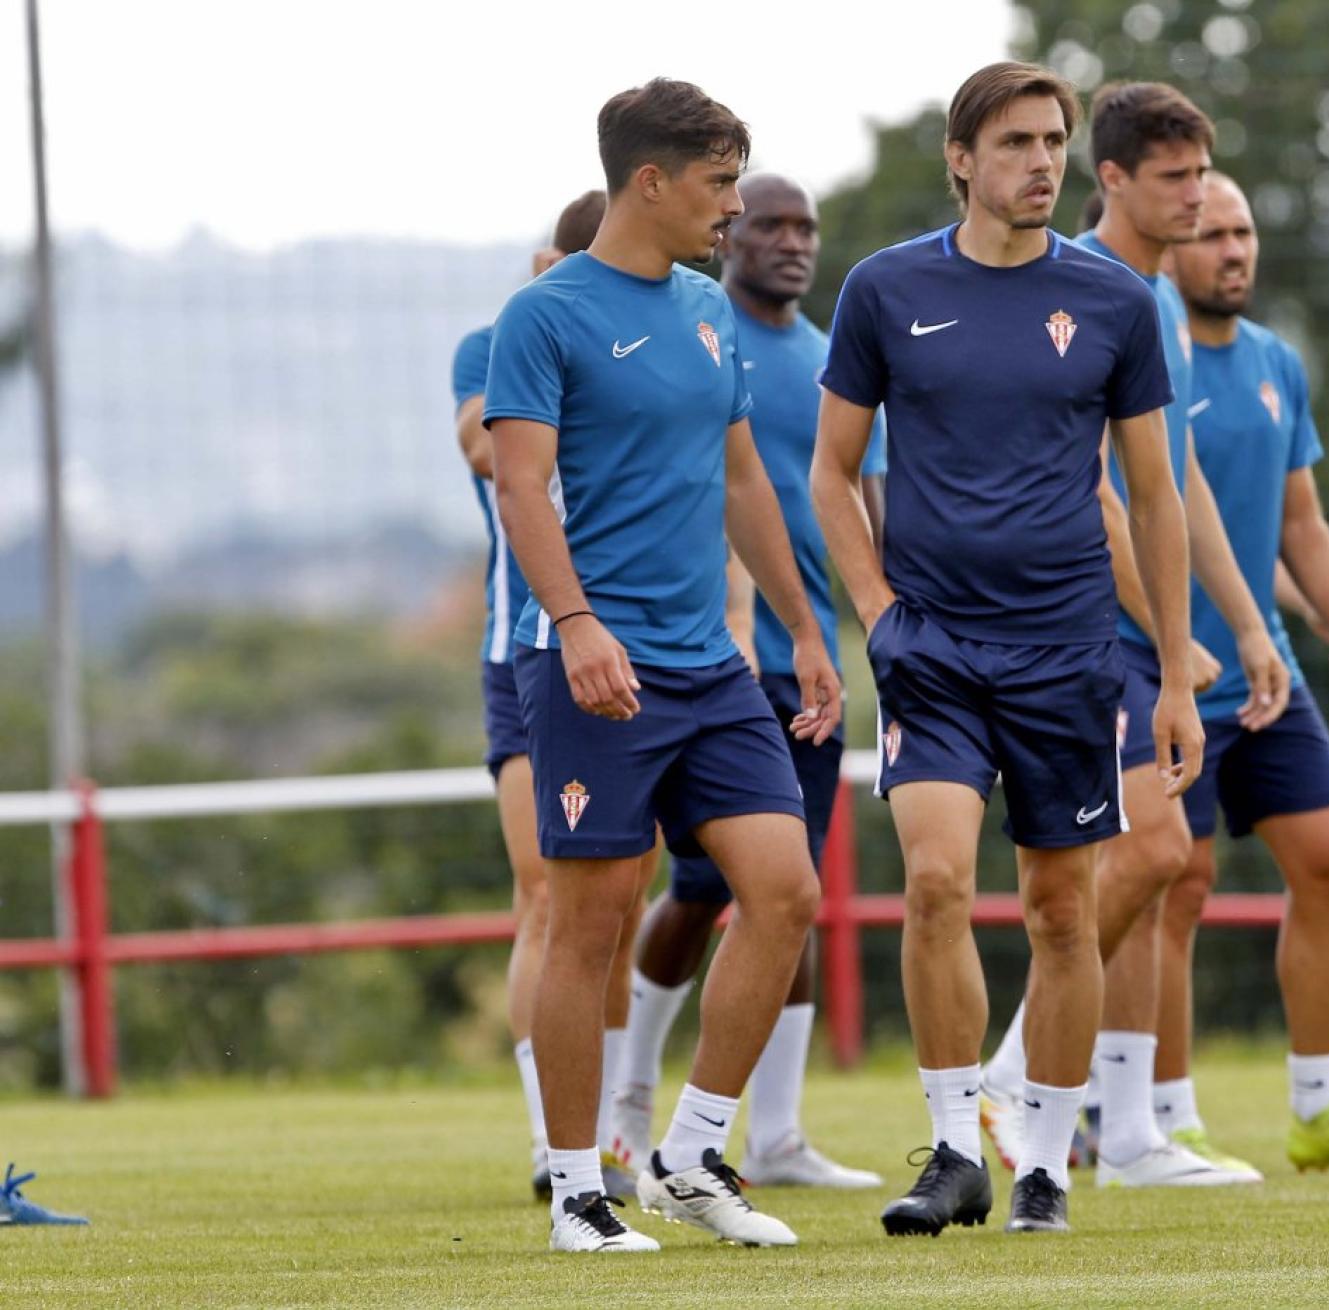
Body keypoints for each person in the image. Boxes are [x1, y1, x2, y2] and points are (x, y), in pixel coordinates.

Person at [812, 61, 1201, 1236]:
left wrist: (1175, 668)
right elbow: (829, 471)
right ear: (962, 158)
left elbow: (1155, 491)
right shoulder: (884, 290)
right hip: (932, 648)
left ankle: (1044, 1160)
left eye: (1055, 142)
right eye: (1019, 142)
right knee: (933, 880)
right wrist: (879, 610)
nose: (1043, 163)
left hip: (1070, 651)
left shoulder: (1117, 303)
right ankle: (949, 1149)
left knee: (1061, 912)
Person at [486, 77, 842, 1252]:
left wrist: (800, 625)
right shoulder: (543, 316)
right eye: (721, 182)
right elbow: (521, 483)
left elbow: (745, 481)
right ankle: (579, 1186)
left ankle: (689, 1153)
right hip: (594, 668)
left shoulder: (706, 308)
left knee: (786, 889)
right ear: (652, 180)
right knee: (590, 921)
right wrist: (578, 624)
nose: (735, 209)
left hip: (714, 668)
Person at [978, 80, 1289, 1191]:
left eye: (1204, 173)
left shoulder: (1153, 296)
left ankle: (1132, 1128)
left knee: (1158, 872)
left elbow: (1177, 480)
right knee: (1148, 853)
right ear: (1113, 180)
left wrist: (1246, 622)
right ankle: (1007, 1080)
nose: (1200, 196)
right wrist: (1165, 634)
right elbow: (1100, 492)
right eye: (1176, 177)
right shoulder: (1106, 291)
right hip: (1077, 627)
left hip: (1139, 631)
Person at [1151, 170, 1329, 1176]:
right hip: (1161, 665)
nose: (1233, 250)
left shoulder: (1277, 361)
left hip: (1265, 665)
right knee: (1172, 885)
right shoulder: (1149, 349)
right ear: (1171, 242)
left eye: (1245, 231)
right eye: (1212, 233)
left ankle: (1320, 1107)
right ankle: (1158, 1112)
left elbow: (1295, 522)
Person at [606, 173, 883, 1191]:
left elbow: (866, 498)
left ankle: (776, 1133)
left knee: (789, 888)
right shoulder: (700, 330)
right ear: (731, 238)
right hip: (703, 661)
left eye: (806, 227)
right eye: (769, 222)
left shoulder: (830, 359)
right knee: (697, 886)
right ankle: (628, 1102)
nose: (791, 241)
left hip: (804, 665)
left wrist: (883, 624)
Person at [449, 190, 644, 1203]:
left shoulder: (669, 327)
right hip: (523, 647)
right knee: (547, 890)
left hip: (649, 645)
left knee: (624, 899)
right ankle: (549, 1138)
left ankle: (612, 1122)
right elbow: (487, 453)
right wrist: (546, 327)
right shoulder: (499, 340)